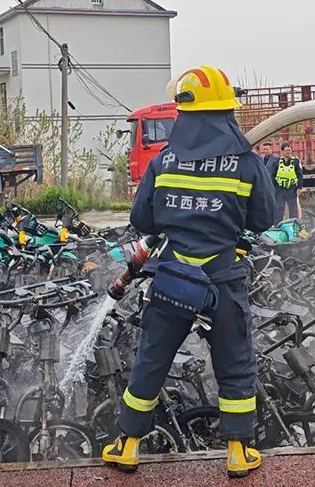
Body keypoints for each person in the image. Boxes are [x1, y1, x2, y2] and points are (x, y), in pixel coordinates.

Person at [102, 66, 275, 478]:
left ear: (184, 114)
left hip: (173, 279)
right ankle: (238, 452)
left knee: (152, 358)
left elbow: (142, 220)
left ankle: (127, 446)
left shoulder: (164, 161)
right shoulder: (247, 164)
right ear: (227, 113)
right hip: (223, 279)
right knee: (235, 361)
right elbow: (264, 219)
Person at [269, 141, 303, 221]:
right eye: (286, 150)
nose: (288, 152)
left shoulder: (295, 161)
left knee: (293, 208)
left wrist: (299, 187)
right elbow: (272, 175)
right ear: (282, 151)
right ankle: (277, 224)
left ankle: (293, 223)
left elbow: (299, 175)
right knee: (279, 208)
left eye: (290, 150)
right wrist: (274, 187)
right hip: (280, 188)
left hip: (291, 188)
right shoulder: (277, 161)